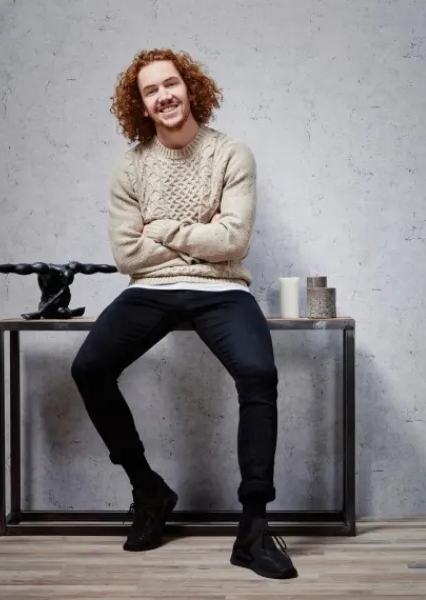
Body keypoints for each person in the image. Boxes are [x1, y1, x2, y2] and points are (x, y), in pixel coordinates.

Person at [70, 48, 298, 580]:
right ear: (141, 105)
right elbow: (128, 255)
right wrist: (202, 238)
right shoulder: (130, 168)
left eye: (170, 84)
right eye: (150, 91)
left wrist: (166, 230)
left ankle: (254, 529)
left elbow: (234, 241)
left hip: (222, 289)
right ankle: (148, 490)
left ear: (191, 88)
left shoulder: (231, 155)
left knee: (259, 374)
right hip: (151, 290)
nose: (164, 96)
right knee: (89, 368)